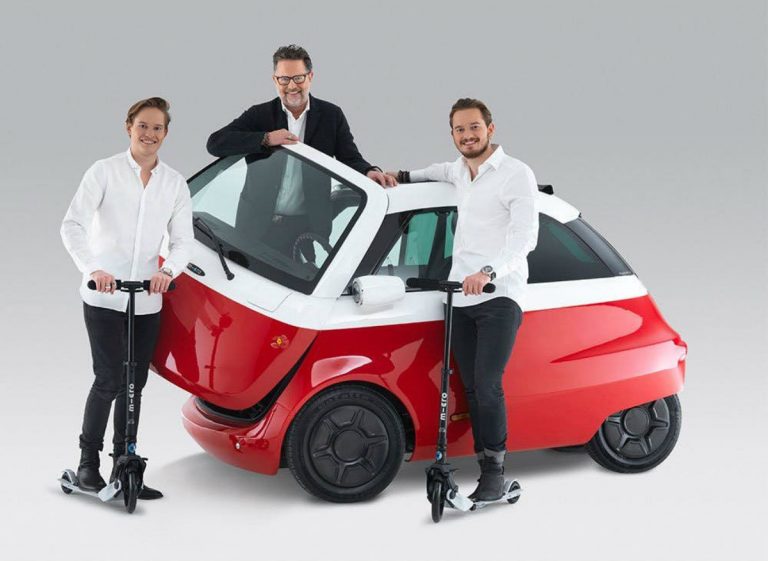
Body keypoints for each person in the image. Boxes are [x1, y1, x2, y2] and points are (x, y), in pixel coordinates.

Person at [388, 98, 539, 502]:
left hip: (497, 294)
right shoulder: (458, 171)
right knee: (470, 388)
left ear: (491, 128)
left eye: (474, 127)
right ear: (452, 134)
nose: (468, 136)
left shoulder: (516, 174)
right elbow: (429, 172)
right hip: (459, 296)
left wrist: (488, 272)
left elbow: (525, 238)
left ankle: (495, 475)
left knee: (488, 385)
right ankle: (483, 468)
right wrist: (395, 176)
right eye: (459, 129)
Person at [61, 97, 193, 499]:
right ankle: (88, 464)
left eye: (157, 128)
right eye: (143, 126)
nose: (149, 134)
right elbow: (72, 225)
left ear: (166, 133)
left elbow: (183, 240)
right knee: (109, 379)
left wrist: (167, 272)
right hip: (104, 297)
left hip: (146, 301)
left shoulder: (174, 183)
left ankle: (125, 462)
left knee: (135, 383)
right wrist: (93, 269)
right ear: (128, 127)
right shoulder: (104, 172)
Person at [206, 44, 396, 259]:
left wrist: (369, 171)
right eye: (284, 79)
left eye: (298, 78)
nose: (291, 86)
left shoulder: (331, 115)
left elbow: (350, 157)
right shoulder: (259, 115)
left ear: (310, 77)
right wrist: (265, 139)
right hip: (254, 224)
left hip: (304, 229)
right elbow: (215, 143)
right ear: (275, 80)